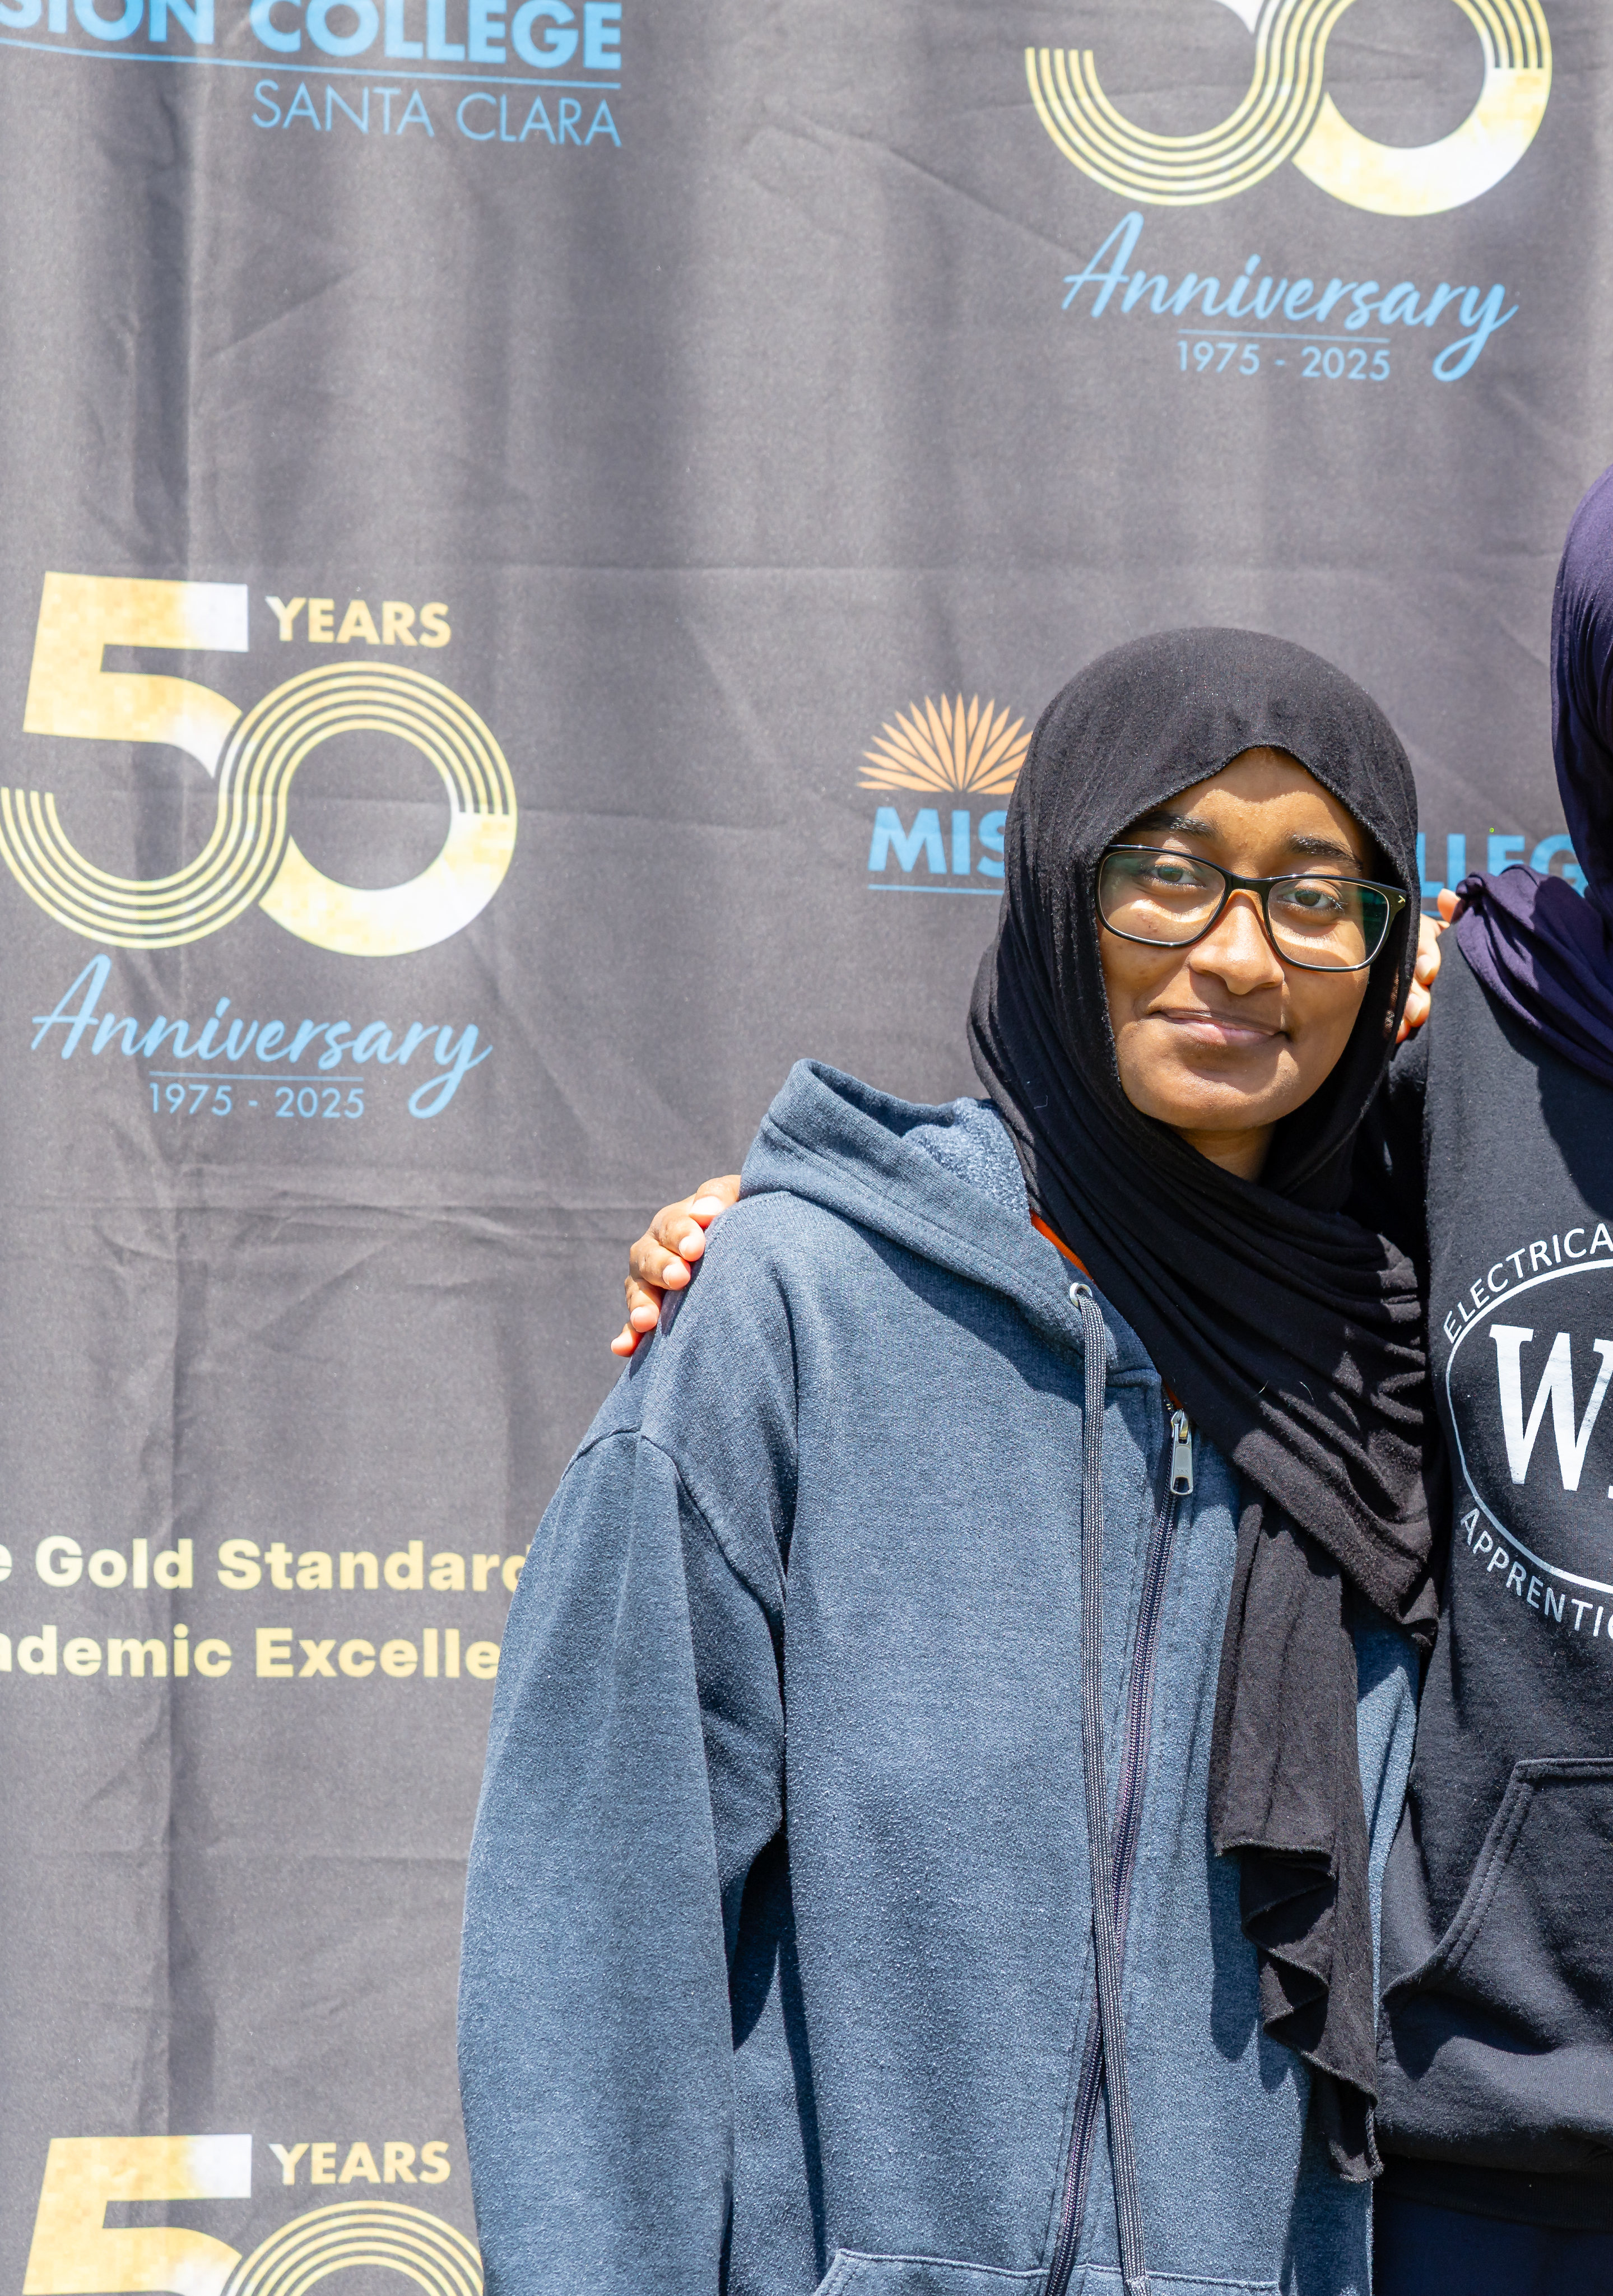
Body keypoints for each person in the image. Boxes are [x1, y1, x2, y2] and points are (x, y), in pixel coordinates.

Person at [612, 410, 1613, 2293]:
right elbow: (1163, 1186)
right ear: (1603, 739)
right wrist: (816, 1212)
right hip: (1492, 2160)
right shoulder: (1489, 1025)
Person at [462, 630, 1438, 2295]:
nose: (1238, 953)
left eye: (1312, 894)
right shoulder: (801, 1308)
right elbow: (594, 1934)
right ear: (1058, 890)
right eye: (1169, 876)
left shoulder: (1407, 1373)